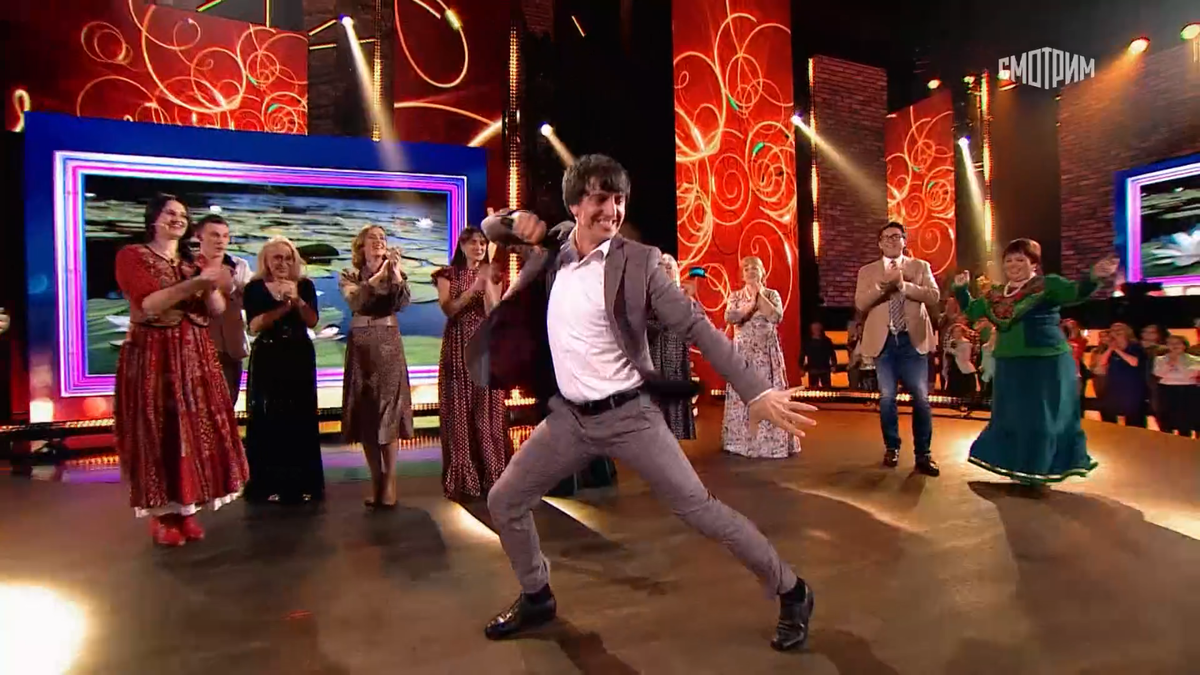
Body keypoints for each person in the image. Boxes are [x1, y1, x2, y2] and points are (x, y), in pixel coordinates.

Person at [469, 155, 818, 651]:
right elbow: (488, 229)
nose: (611, 210)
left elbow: (695, 325)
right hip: (570, 419)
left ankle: (792, 589)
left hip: (630, 416)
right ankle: (537, 595)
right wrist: (512, 221)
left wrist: (754, 389)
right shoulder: (555, 245)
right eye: (599, 198)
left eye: (618, 200)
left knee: (701, 510)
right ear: (574, 204)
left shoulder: (640, 262)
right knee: (505, 500)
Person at [113, 194, 248, 546]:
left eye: (183, 215)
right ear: (153, 218)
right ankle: (162, 516)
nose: (178, 219)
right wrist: (196, 284)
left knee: (193, 429)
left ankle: (187, 510)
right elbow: (149, 304)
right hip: (154, 354)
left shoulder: (192, 262)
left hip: (193, 353)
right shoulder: (133, 256)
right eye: (170, 213)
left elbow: (215, 309)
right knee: (158, 430)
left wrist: (211, 281)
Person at [952, 238, 1117, 485]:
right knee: (1011, 418)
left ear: (1034, 264)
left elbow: (1075, 292)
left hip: (1045, 363)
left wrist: (1094, 276)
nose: (1013, 265)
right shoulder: (996, 295)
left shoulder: (1046, 286)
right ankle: (1017, 466)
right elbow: (973, 311)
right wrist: (961, 290)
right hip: (1009, 364)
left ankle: (1038, 469)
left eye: (1020, 260)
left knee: (1041, 419)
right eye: (1009, 260)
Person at [854, 222, 941, 476]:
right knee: (887, 397)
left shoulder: (920, 267)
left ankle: (923, 454)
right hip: (884, 342)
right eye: (886, 237)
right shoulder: (868, 271)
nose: (892, 240)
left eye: (896, 236)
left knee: (921, 398)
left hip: (912, 341)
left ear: (904, 240)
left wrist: (904, 286)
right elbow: (861, 303)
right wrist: (882, 286)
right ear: (879, 243)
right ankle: (892, 447)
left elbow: (933, 296)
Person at [242, 237, 324, 503]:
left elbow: (312, 321)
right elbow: (254, 326)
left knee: (300, 417)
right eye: (277, 258)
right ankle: (267, 484)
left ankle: (302, 484)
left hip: (299, 354)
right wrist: (283, 307)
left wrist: (297, 301)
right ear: (266, 260)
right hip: (268, 354)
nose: (283, 263)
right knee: (267, 417)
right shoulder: (254, 288)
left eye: (288, 258)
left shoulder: (305, 286)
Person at [433, 226, 511, 502]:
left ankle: (494, 476)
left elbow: (493, 312)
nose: (478, 247)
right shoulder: (447, 275)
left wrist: (487, 284)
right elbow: (449, 309)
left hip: (485, 348)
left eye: (482, 243)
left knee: (487, 412)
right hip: (457, 347)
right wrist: (472, 289)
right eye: (473, 243)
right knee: (459, 411)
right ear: (462, 246)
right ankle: (464, 480)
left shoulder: (494, 275)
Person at [339, 225, 414, 509]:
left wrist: (394, 275)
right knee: (366, 410)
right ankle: (376, 480)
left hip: (388, 343)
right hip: (360, 345)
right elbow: (357, 300)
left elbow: (403, 302)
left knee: (388, 409)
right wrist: (378, 276)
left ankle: (391, 480)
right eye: (373, 238)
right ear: (361, 246)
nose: (379, 242)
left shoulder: (394, 273)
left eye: (382, 238)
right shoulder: (349, 275)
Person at [722, 256, 798, 459]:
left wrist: (759, 296)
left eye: (754, 267)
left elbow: (776, 316)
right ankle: (741, 443)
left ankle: (772, 444)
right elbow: (730, 317)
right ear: (742, 274)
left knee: (767, 394)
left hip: (766, 354)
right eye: (746, 268)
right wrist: (750, 305)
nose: (750, 271)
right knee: (744, 395)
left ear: (763, 272)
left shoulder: (772, 294)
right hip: (743, 354)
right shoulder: (736, 296)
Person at [193, 215, 253, 405]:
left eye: (225, 236)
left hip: (232, 349)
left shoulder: (240, 265)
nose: (220, 241)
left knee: (227, 406)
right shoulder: (188, 266)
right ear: (199, 237)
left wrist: (231, 288)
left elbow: (251, 303)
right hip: (198, 351)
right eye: (214, 235)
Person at [647, 253, 698, 441]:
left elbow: (694, 321)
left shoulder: (682, 295)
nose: (666, 269)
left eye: (670, 266)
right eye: (662, 265)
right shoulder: (649, 293)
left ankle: (674, 437)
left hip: (677, 351)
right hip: (655, 350)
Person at [1096, 322, 1148, 427]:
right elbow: (1101, 363)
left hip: (1132, 386)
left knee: (1134, 417)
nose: (1116, 331)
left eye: (1120, 329)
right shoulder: (1109, 347)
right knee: (1108, 413)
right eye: (1113, 330)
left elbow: (1134, 362)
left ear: (1127, 331)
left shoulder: (1135, 346)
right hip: (1114, 384)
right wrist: (1110, 348)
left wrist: (1117, 349)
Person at [1152, 334, 1198, 437]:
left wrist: (1177, 361)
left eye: (1177, 343)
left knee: (1185, 420)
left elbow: (1189, 374)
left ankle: (1185, 441)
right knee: (1166, 419)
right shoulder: (1160, 359)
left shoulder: (1195, 359)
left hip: (1187, 390)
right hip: (1166, 390)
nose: (1174, 346)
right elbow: (1159, 373)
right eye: (1171, 343)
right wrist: (1169, 363)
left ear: (1184, 345)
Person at [802, 322, 837, 389]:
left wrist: (834, 365)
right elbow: (803, 355)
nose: (816, 330)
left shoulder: (827, 341)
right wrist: (802, 368)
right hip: (813, 369)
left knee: (826, 389)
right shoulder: (807, 342)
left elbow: (832, 354)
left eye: (818, 328)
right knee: (813, 389)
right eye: (814, 329)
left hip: (825, 369)